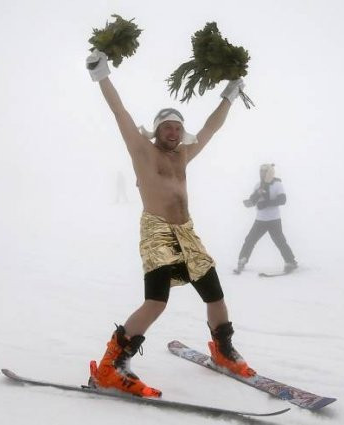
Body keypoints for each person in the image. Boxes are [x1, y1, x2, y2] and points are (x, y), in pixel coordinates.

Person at [85, 50, 254, 398]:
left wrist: (230, 95)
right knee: (156, 301)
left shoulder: (183, 154)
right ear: (158, 130)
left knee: (215, 293)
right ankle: (109, 368)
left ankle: (223, 350)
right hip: (157, 230)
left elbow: (210, 127)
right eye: (167, 127)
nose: (174, 132)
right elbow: (121, 113)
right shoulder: (143, 151)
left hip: (186, 231)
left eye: (178, 127)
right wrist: (102, 75)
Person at [234, 164, 297, 274]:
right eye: (261, 171)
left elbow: (283, 200)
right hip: (260, 220)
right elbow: (252, 201)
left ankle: (290, 261)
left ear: (270, 172)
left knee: (280, 241)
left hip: (274, 220)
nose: (262, 173)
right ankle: (242, 260)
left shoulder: (277, 184)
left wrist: (266, 204)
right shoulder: (258, 185)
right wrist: (252, 199)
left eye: (265, 171)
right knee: (250, 239)